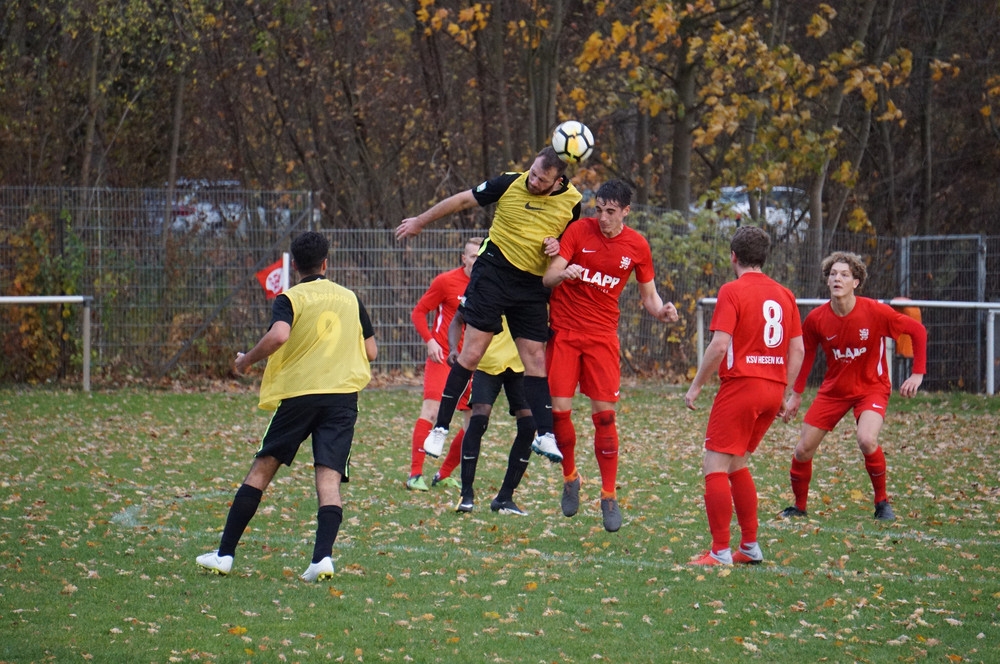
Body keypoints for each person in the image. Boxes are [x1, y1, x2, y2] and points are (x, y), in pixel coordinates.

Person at [196, 231, 377, 582]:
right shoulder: (350, 298)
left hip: (300, 396)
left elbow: (279, 335)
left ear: (295, 265)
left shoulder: (290, 298)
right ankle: (322, 559)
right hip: (342, 398)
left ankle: (224, 555)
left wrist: (246, 361)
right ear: (327, 263)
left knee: (262, 470)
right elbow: (371, 352)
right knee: (329, 479)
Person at [395, 146, 582, 465]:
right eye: (533, 172)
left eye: (541, 179)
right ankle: (439, 429)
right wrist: (421, 221)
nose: (533, 181)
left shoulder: (573, 204)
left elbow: (566, 245)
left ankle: (545, 433)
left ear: (558, 181)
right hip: (493, 272)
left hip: (531, 283)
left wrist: (556, 246)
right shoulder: (510, 182)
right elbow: (462, 200)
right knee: (472, 351)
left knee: (535, 358)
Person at [542, 179, 679, 532]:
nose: (602, 217)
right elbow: (549, 276)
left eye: (611, 212)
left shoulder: (637, 246)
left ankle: (607, 495)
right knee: (560, 413)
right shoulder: (577, 231)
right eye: (598, 209)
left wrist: (661, 311)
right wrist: (563, 273)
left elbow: (649, 297)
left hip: (602, 338)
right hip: (565, 334)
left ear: (626, 212)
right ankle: (570, 476)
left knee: (604, 419)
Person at [684, 226, 804, 566]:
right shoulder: (784, 294)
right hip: (771, 389)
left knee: (714, 465)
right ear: (763, 258)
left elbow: (720, 345)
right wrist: (783, 389)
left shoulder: (732, 290)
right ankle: (749, 547)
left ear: (733, 256)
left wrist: (696, 386)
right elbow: (797, 348)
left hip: (742, 387)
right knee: (737, 463)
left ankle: (720, 551)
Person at [780, 252, 927, 522]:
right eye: (833, 274)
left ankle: (882, 503)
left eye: (844, 275)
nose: (837, 278)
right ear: (827, 281)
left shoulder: (876, 311)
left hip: (872, 387)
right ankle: (799, 507)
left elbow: (917, 331)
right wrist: (795, 395)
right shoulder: (816, 319)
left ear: (856, 282)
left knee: (866, 439)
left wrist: (917, 374)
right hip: (834, 390)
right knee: (802, 449)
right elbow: (807, 354)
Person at [404, 238, 481, 492]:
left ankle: (444, 473)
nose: (476, 261)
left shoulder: (489, 285)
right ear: (463, 258)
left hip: (472, 362)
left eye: (480, 257)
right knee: (432, 412)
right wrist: (430, 342)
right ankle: (415, 474)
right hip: (443, 359)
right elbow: (418, 312)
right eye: (472, 257)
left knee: (474, 422)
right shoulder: (446, 281)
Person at [447, 310, 536, 515]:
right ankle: (466, 495)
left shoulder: (532, 284)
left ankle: (505, 497)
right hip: (488, 363)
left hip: (521, 364)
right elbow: (458, 318)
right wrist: (454, 348)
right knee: (478, 420)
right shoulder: (487, 282)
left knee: (529, 426)